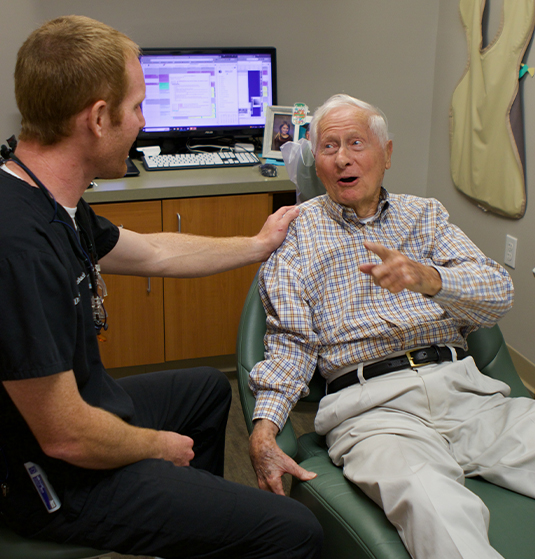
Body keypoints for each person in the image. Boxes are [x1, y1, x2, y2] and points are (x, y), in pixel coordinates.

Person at [0, 15, 323, 559]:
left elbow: (150, 251)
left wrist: (256, 244)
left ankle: (188, 526)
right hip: (53, 478)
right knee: (294, 531)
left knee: (206, 388)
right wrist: (157, 448)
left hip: (80, 409)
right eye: (138, 107)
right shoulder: (18, 246)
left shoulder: (49, 198)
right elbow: (67, 437)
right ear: (99, 118)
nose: (145, 123)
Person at [249, 93, 535, 559]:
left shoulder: (426, 215)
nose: (342, 157)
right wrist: (263, 429)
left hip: (466, 393)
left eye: (357, 142)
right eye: (328, 146)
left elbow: (497, 293)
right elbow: (291, 346)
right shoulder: (294, 235)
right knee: (436, 509)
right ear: (315, 161)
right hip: (374, 413)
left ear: (387, 154)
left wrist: (429, 279)